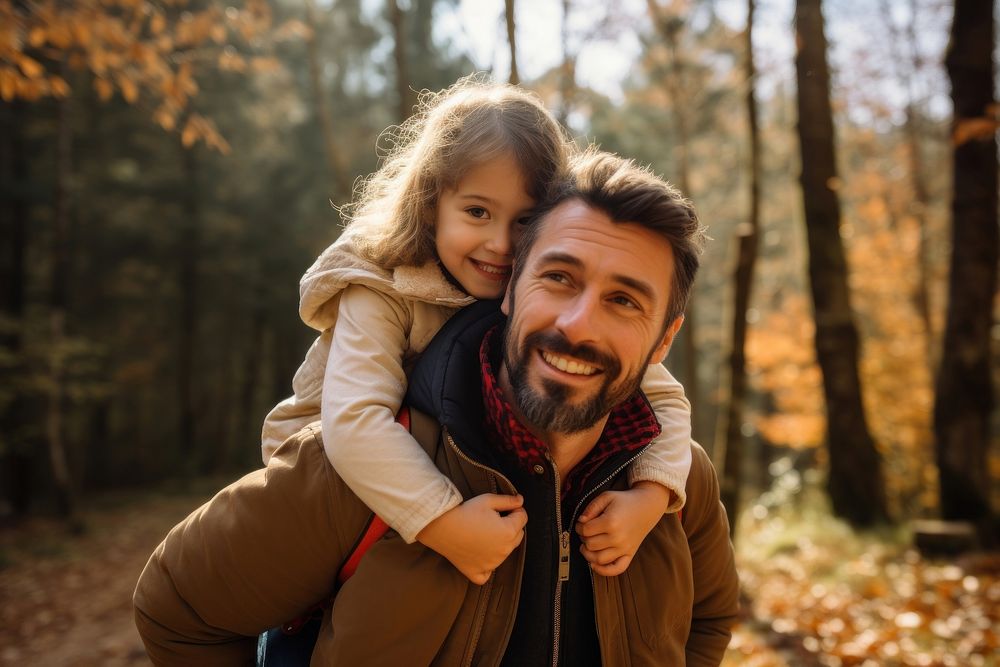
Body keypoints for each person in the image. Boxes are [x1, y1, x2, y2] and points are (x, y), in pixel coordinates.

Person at [133, 149, 739, 666]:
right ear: (510, 287)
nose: (577, 324)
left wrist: (658, 493)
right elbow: (178, 611)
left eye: (624, 300)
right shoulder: (362, 466)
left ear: (664, 339)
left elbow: (707, 621)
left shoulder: (680, 482)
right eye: (558, 277)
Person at [256, 76, 693, 586]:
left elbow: (665, 399)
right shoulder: (380, 287)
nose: (500, 244)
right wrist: (442, 521)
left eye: (525, 221)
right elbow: (353, 422)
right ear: (429, 203)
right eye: (477, 212)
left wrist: (651, 496)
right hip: (323, 484)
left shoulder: (540, 296)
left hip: (412, 488)